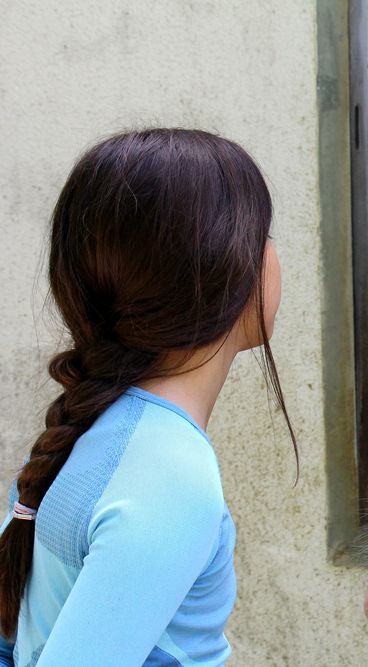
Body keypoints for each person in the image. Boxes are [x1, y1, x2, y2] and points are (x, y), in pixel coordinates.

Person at [0, 129, 296, 666]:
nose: (273, 253)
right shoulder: (168, 473)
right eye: (265, 234)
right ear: (226, 269)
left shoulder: (89, 429)